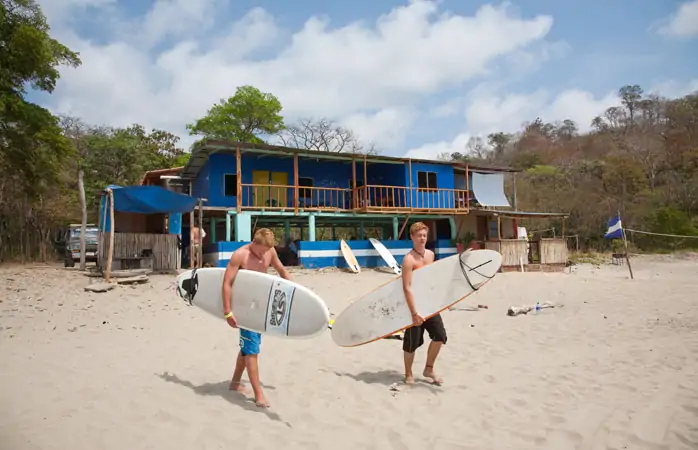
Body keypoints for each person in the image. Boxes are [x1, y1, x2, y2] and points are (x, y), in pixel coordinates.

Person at [221, 228, 291, 408]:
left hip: (261, 307)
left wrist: (294, 294)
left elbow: (282, 271)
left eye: (267, 251)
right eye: (261, 251)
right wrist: (228, 312)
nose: (263, 255)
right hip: (245, 309)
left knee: (248, 346)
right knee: (252, 350)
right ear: (254, 242)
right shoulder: (240, 255)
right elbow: (227, 283)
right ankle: (259, 395)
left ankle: (235, 383)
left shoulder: (270, 251)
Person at [400, 221, 446, 385]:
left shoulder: (430, 255)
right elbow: (407, 287)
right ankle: (408, 374)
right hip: (414, 307)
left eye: (425, 235)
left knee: (440, 336)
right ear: (412, 237)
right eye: (419, 235)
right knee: (411, 344)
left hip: (430, 305)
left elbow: (430, 280)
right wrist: (414, 313)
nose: (422, 238)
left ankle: (429, 368)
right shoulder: (408, 260)